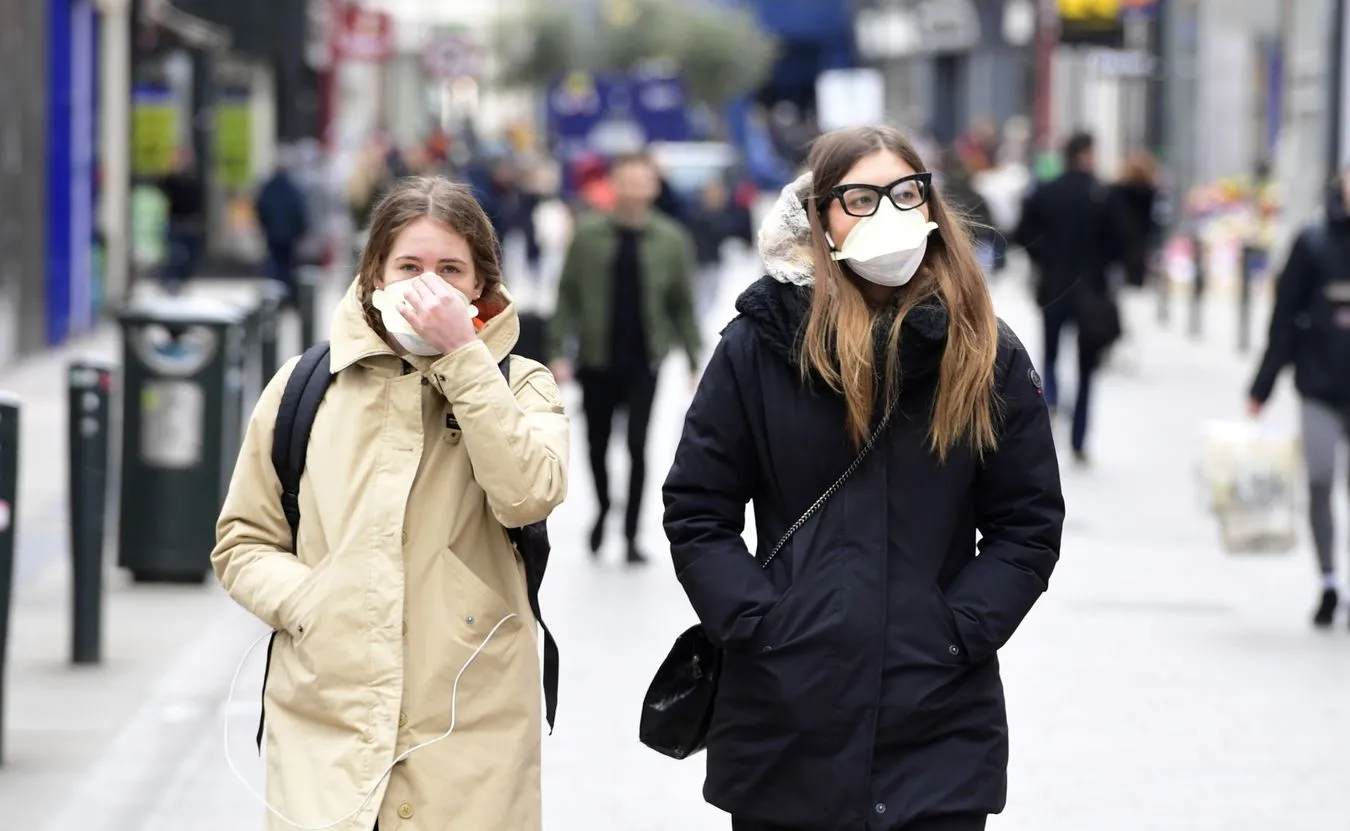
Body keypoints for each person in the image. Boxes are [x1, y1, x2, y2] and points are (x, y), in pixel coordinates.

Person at [663, 125, 1064, 830]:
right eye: (859, 197)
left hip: (937, 719)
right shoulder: (758, 346)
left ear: (931, 208)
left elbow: (1027, 524)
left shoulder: (985, 352)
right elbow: (698, 509)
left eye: (905, 193)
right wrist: (764, 623)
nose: (887, 212)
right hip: (785, 716)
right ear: (820, 219)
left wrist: (956, 629)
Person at [212, 176, 570, 831]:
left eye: (450, 269)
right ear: (374, 272)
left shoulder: (521, 385)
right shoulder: (304, 387)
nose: (428, 284)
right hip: (328, 719)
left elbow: (528, 493)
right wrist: (311, 603)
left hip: (470, 726)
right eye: (409, 266)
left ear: (480, 286)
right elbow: (243, 539)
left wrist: (464, 356)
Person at [548, 151, 702, 565]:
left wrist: (693, 358)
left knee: (637, 446)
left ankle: (632, 534)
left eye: (643, 180)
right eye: (627, 180)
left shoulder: (671, 239)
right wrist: (558, 351)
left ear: (654, 186)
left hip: (644, 361)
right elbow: (567, 295)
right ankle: (601, 511)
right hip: (596, 359)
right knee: (597, 446)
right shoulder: (588, 235)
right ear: (614, 184)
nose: (635, 188)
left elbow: (682, 305)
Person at [1249, 168, 1350, 628]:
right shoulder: (1312, 242)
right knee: (1321, 479)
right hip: (1321, 384)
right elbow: (1285, 316)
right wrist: (1263, 386)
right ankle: (1329, 580)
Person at [1014, 131, 1126, 464]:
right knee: (1087, 368)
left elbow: (1023, 232)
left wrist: (1044, 257)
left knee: (1049, 352)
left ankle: (1049, 401)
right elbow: (1121, 241)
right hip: (1091, 291)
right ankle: (1079, 435)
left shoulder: (1047, 191)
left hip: (1054, 285)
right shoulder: (1101, 195)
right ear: (1086, 154)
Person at [254, 145, 311, 306]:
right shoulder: (293, 188)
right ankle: (284, 295)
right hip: (288, 235)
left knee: (274, 262)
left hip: (273, 233)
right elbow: (299, 211)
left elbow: (260, 208)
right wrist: (300, 230)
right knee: (286, 265)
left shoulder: (268, 187)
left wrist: (265, 226)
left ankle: (274, 295)